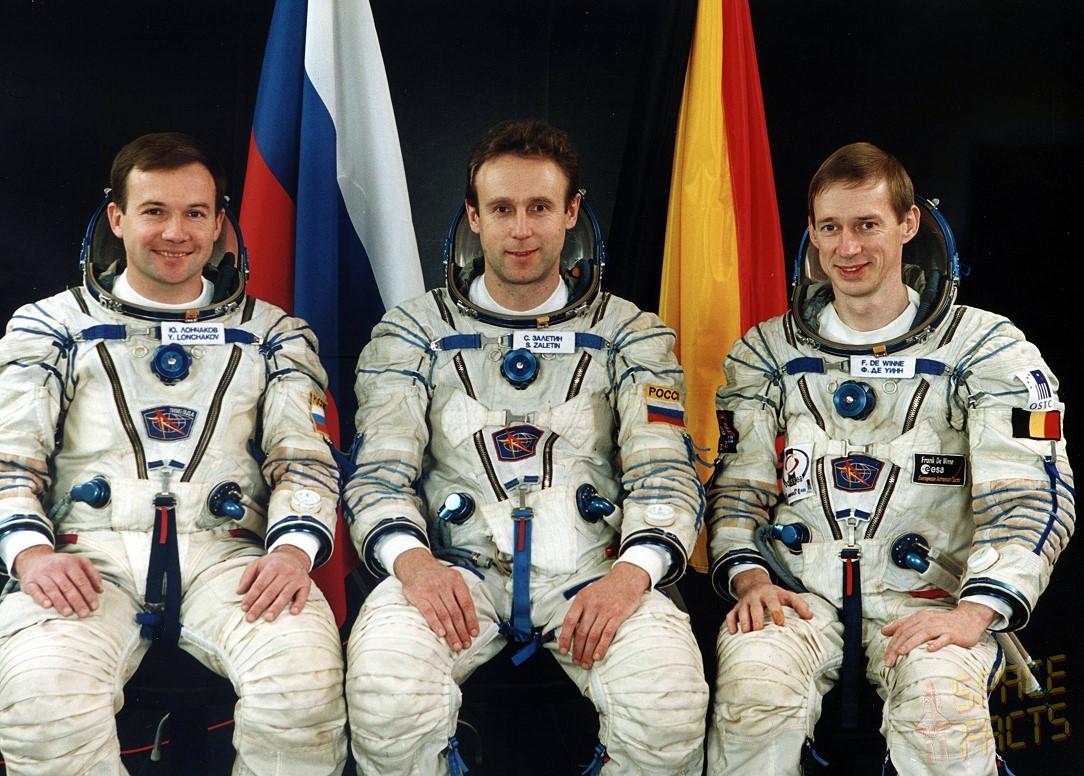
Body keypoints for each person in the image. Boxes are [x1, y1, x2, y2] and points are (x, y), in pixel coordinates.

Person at [342, 119, 708, 774]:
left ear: (571, 211)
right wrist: (415, 564)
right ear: (473, 216)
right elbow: (378, 475)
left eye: (540, 207)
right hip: (454, 569)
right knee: (386, 692)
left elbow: (665, 473)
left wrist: (631, 576)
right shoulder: (413, 333)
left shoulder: (630, 334)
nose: (521, 230)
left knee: (668, 703)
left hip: (594, 573)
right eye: (502, 209)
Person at [706, 141, 1075, 775]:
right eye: (830, 228)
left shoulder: (986, 349)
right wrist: (750, 578)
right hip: (800, 597)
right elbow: (736, 490)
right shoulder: (767, 354)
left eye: (867, 225)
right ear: (812, 234)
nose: (847, 247)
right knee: (751, 694)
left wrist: (976, 611)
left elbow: (1032, 498)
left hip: (931, 602)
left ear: (908, 224)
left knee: (940, 712)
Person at [0, 132, 348, 775]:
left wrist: (293, 550)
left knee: (303, 688)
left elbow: (304, 460)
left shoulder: (273, 335)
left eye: (195, 213)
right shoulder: (50, 327)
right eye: (154, 211)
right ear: (117, 218)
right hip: (86, 556)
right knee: (43, 702)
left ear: (219, 225)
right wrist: (30, 552)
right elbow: (9, 457)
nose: (175, 232)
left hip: (230, 556)